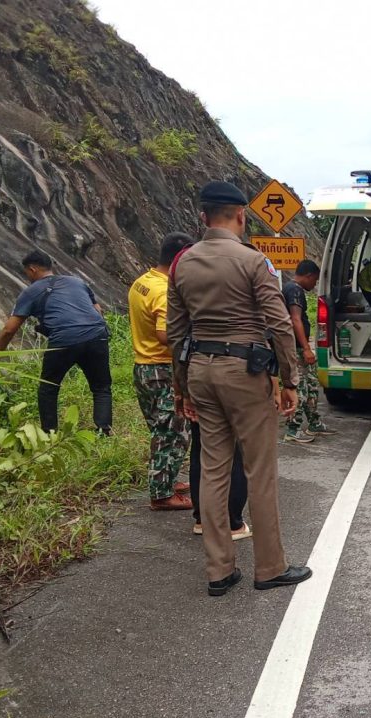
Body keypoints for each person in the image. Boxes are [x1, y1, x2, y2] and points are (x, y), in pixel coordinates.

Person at [167, 179, 311, 597]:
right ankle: (270, 568)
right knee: (259, 470)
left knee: (213, 469)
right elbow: (279, 324)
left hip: (200, 371)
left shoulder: (181, 263)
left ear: (202, 216)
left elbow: (176, 333)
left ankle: (219, 570)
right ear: (242, 216)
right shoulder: (254, 261)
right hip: (245, 373)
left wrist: (182, 388)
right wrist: (289, 379)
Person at [0, 251, 112, 434]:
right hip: (97, 335)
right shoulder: (76, 281)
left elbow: (9, 329)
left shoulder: (31, 291)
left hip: (64, 340)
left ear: (32, 269)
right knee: (101, 387)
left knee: (48, 387)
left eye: (27, 272)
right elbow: (98, 310)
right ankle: (104, 430)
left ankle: (49, 433)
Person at [128, 233, 194, 511]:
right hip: (162, 369)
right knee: (173, 432)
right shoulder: (163, 291)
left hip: (144, 366)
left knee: (161, 428)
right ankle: (162, 494)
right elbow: (165, 334)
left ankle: (166, 479)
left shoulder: (142, 282)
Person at [282, 259, 335, 443]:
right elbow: (295, 319)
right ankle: (293, 429)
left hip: (299, 347)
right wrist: (306, 349)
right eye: (315, 280)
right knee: (300, 387)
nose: (314, 285)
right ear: (308, 276)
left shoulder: (292, 289)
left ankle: (314, 422)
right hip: (296, 348)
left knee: (312, 385)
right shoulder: (294, 290)